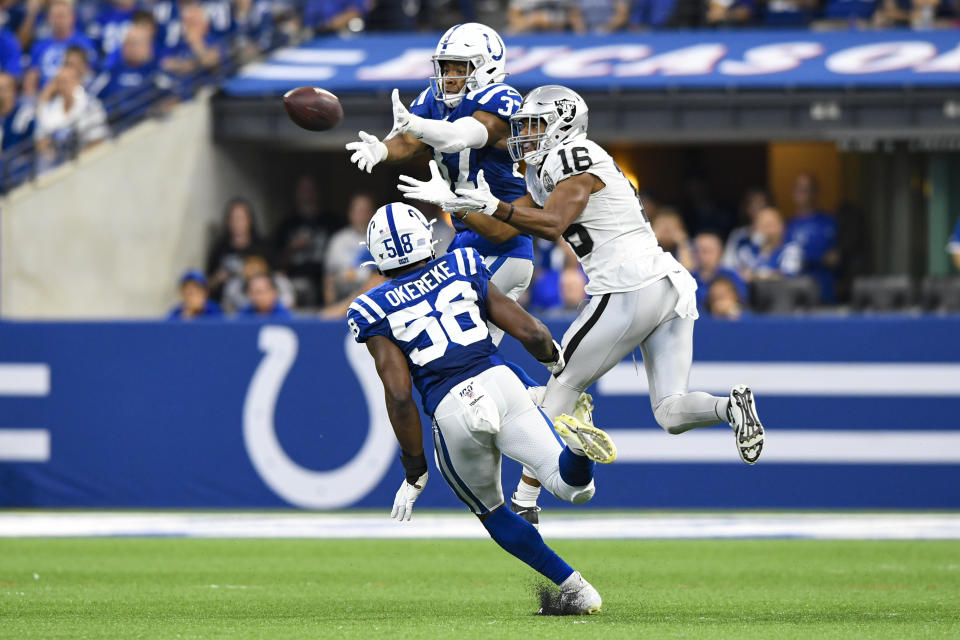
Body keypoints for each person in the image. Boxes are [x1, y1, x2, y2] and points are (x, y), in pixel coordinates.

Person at [400, 84, 766, 519]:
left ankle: (524, 503)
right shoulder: (545, 170)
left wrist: (495, 204)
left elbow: (552, 224)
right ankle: (730, 407)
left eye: (535, 125)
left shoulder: (572, 154)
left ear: (562, 125)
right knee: (669, 411)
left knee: (564, 385)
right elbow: (506, 230)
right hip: (667, 287)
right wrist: (455, 206)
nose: (525, 136)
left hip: (627, 286)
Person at [347, 202, 615, 614]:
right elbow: (530, 330)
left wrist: (414, 470)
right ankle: (577, 450)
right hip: (500, 382)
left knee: (491, 511)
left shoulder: (372, 306)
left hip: (453, 407)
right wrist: (555, 366)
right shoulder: (462, 264)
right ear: (425, 236)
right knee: (574, 488)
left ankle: (577, 589)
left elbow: (399, 394)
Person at [348, 23, 535, 348]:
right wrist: (381, 149)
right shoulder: (434, 101)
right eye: (445, 67)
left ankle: (547, 390)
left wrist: (419, 125)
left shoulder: (501, 98)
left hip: (503, 240)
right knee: (457, 349)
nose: (449, 76)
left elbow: (462, 136)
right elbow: (407, 143)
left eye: (459, 68)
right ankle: (532, 395)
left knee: (461, 348)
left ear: (485, 67)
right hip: (465, 240)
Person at [23, 0, 97, 95]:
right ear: (48, 19)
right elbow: (32, 77)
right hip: (45, 95)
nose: (58, 21)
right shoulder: (40, 45)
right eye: (55, 16)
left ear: (72, 18)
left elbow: (88, 74)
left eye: (62, 16)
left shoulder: (84, 43)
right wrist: (32, 99)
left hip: (73, 93)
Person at [784, 173, 837, 301]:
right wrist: (818, 258)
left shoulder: (828, 222)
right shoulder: (786, 226)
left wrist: (804, 259)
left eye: (807, 189)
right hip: (793, 291)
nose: (803, 194)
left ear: (815, 193)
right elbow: (782, 260)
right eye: (799, 189)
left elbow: (834, 259)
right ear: (793, 193)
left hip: (824, 289)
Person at [323, 192, 376, 305]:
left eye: (365, 211)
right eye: (358, 211)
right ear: (350, 213)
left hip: (373, 295)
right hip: (343, 294)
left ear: (372, 213)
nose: (361, 215)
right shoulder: (339, 239)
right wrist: (331, 307)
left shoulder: (380, 238)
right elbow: (329, 277)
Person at [691, 231, 747, 311]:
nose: (703, 255)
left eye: (708, 250)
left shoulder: (732, 276)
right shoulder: (686, 278)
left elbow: (742, 301)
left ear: (720, 252)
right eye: (698, 250)